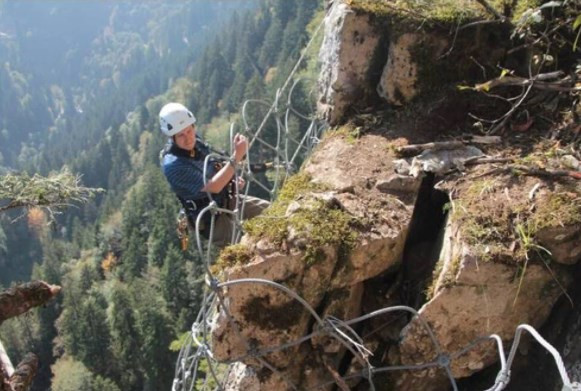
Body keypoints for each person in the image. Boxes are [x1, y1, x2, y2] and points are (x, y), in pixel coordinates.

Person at [159, 102, 269, 246]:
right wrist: (237, 155)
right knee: (242, 248)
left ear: (193, 127)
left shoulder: (196, 143)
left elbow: (213, 166)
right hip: (210, 216)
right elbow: (214, 186)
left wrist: (231, 178)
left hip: (226, 198)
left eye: (189, 131)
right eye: (181, 135)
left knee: (270, 212)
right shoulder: (173, 165)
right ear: (172, 138)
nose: (188, 138)